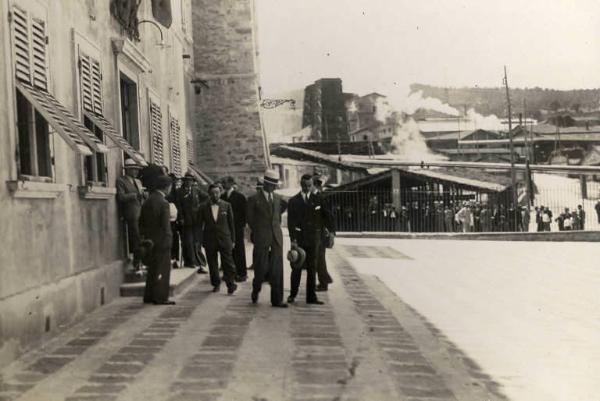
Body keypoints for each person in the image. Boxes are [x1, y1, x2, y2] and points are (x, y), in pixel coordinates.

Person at [287, 174, 333, 305]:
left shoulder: (318, 199)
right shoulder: (293, 201)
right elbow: (291, 223)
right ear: (300, 185)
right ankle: (292, 294)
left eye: (309, 185)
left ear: (312, 185)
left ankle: (311, 296)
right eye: (304, 185)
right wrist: (293, 240)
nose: (307, 188)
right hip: (300, 239)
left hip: (314, 240)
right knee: (296, 267)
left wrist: (331, 233)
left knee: (313, 268)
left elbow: (327, 216)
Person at [246, 169, 288, 307]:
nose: (274, 187)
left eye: (275, 185)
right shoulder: (253, 199)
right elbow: (250, 219)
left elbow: (278, 215)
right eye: (272, 185)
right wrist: (258, 232)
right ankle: (256, 288)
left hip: (276, 237)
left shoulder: (277, 199)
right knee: (261, 267)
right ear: (265, 184)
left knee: (277, 269)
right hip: (261, 237)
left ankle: (277, 299)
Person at [139, 175, 176, 305]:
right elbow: (165, 225)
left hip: (150, 240)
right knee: (162, 269)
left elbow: (141, 222)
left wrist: (145, 237)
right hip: (162, 240)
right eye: (171, 186)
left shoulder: (148, 201)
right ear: (167, 187)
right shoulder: (164, 203)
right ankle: (160, 297)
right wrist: (169, 239)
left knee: (152, 269)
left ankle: (149, 295)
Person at [195, 184, 237, 294]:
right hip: (210, 240)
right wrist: (199, 241)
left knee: (228, 263)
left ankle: (231, 284)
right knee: (212, 263)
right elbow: (199, 225)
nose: (215, 195)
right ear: (209, 194)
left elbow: (231, 224)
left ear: (221, 192)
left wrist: (233, 240)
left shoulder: (227, 205)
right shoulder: (203, 207)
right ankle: (216, 284)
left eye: (217, 192)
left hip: (225, 239)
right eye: (212, 193)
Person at [116, 158, 145, 270]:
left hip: (141, 212)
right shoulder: (121, 181)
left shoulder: (138, 181)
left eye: (137, 170)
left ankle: (143, 260)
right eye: (133, 169)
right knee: (135, 238)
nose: (136, 172)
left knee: (142, 237)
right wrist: (134, 195)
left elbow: (140, 195)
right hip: (131, 213)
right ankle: (137, 262)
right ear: (127, 170)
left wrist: (144, 196)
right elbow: (121, 197)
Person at [177, 173, 207, 273]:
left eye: (190, 180)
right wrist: (181, 218)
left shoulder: (196, 190)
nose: (188, 182)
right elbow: (179, 207)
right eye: (186, 180)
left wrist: (200, 207)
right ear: (183, 181)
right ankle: (190, 261)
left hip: (197, 220)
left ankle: (200, 262)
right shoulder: (179, 192)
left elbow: (206, 197)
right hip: (186, 220)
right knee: (188, 242)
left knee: (197, 242)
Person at [221, 176, 248, 282]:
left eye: (225, 182)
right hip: (225, 227)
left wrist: (242, 226)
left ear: (231, 183)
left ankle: (241, 273)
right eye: (222, 182)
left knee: (239, 250)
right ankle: (229, 273)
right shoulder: (222, 196)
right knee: (227, 251)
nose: (223, 184)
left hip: (237, 227)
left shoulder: (240, 197)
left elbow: (244, 213)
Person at [312, 173, 335, 291]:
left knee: (319, 258)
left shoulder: (321, 198)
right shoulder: (311, 197)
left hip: (319, 233)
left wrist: (332, 233)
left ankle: (324, 282)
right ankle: (324, 279)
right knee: (317, 258)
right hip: (312, 233)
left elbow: (329, 216)